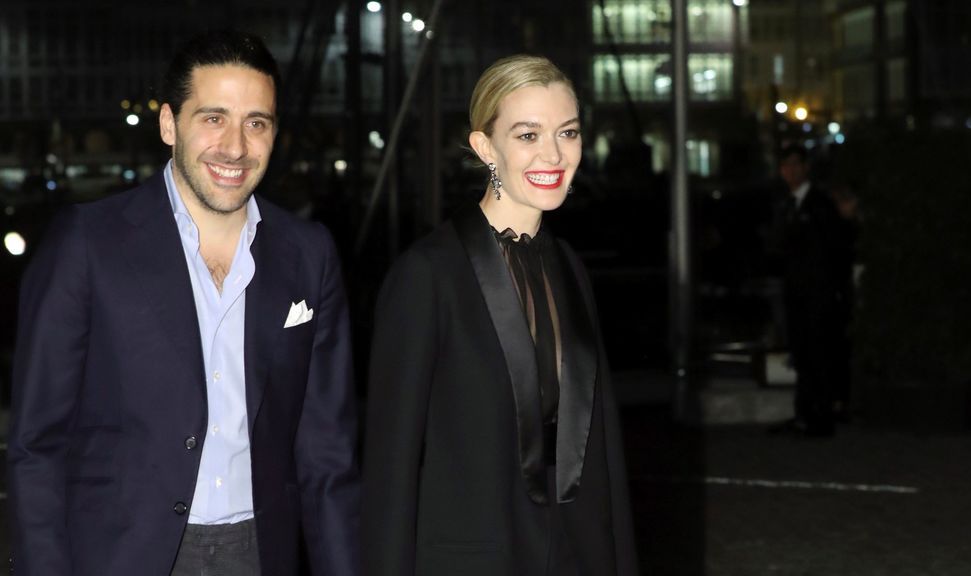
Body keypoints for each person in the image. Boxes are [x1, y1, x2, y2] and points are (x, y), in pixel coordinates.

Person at [8, 30, 359, 575]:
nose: (235, 147)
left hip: (259, 552)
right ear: (169, 124)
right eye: (214, 118)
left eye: (256, 123)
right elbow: (36, 445)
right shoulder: (88, 243)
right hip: (119, 556)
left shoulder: (308, 253)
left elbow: (327, 454)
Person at [361, 55, 639, 575]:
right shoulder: (428, 275)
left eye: (567, 132)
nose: (553, 154)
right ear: (485, 147)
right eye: (528, 135)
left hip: (576, 553)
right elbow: (390, 468)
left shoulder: (569, 267)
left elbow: (601, 443)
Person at [772, 144, 851, 437]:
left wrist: (832, 289)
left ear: (806, 168)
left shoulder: (819, 204)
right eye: (785, 166)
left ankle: (820, 416)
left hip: (817, 293)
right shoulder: (787, 204)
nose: (790, 171)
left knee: (818, 352)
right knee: (802, 353)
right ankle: (804, 414)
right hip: (796, 292)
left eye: (795, 165)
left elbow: (832, 249)